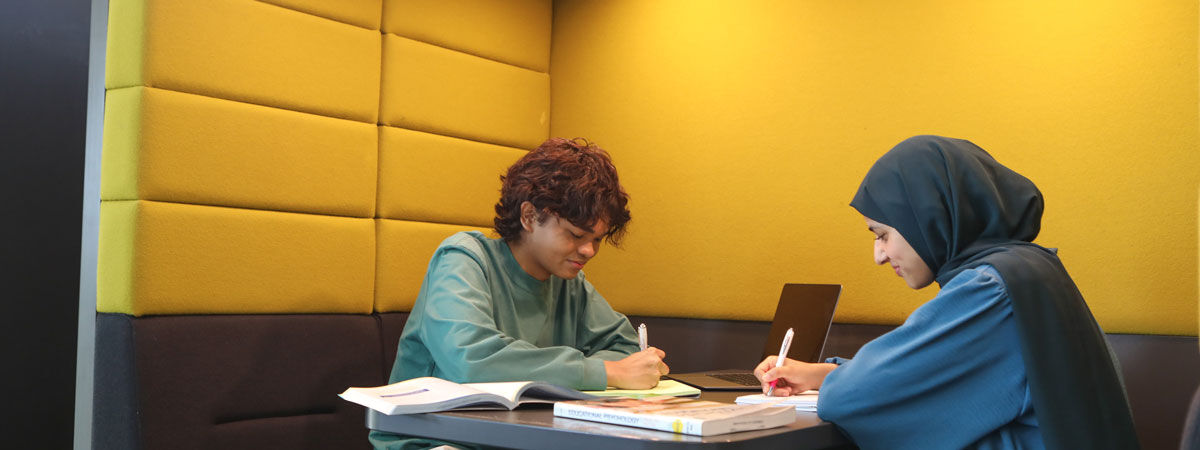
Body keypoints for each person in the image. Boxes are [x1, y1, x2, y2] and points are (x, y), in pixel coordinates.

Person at [754, 135, 1139, 449]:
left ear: (929, 217)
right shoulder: (1029, 270)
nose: (880, 256)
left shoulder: (990, 290)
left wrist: (834, 382)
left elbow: (852, 399)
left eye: (883, 234)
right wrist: (824, 373)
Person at [370, 137, 668, 450]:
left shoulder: (570, 283)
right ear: (528, 216)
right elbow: (472, 359)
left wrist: (618, 370)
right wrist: (604, 371)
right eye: (576, 234)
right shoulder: (464, 257)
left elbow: (625, 349)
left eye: (598, 239)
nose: (588, 250)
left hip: (520, 439)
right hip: (433, 440)